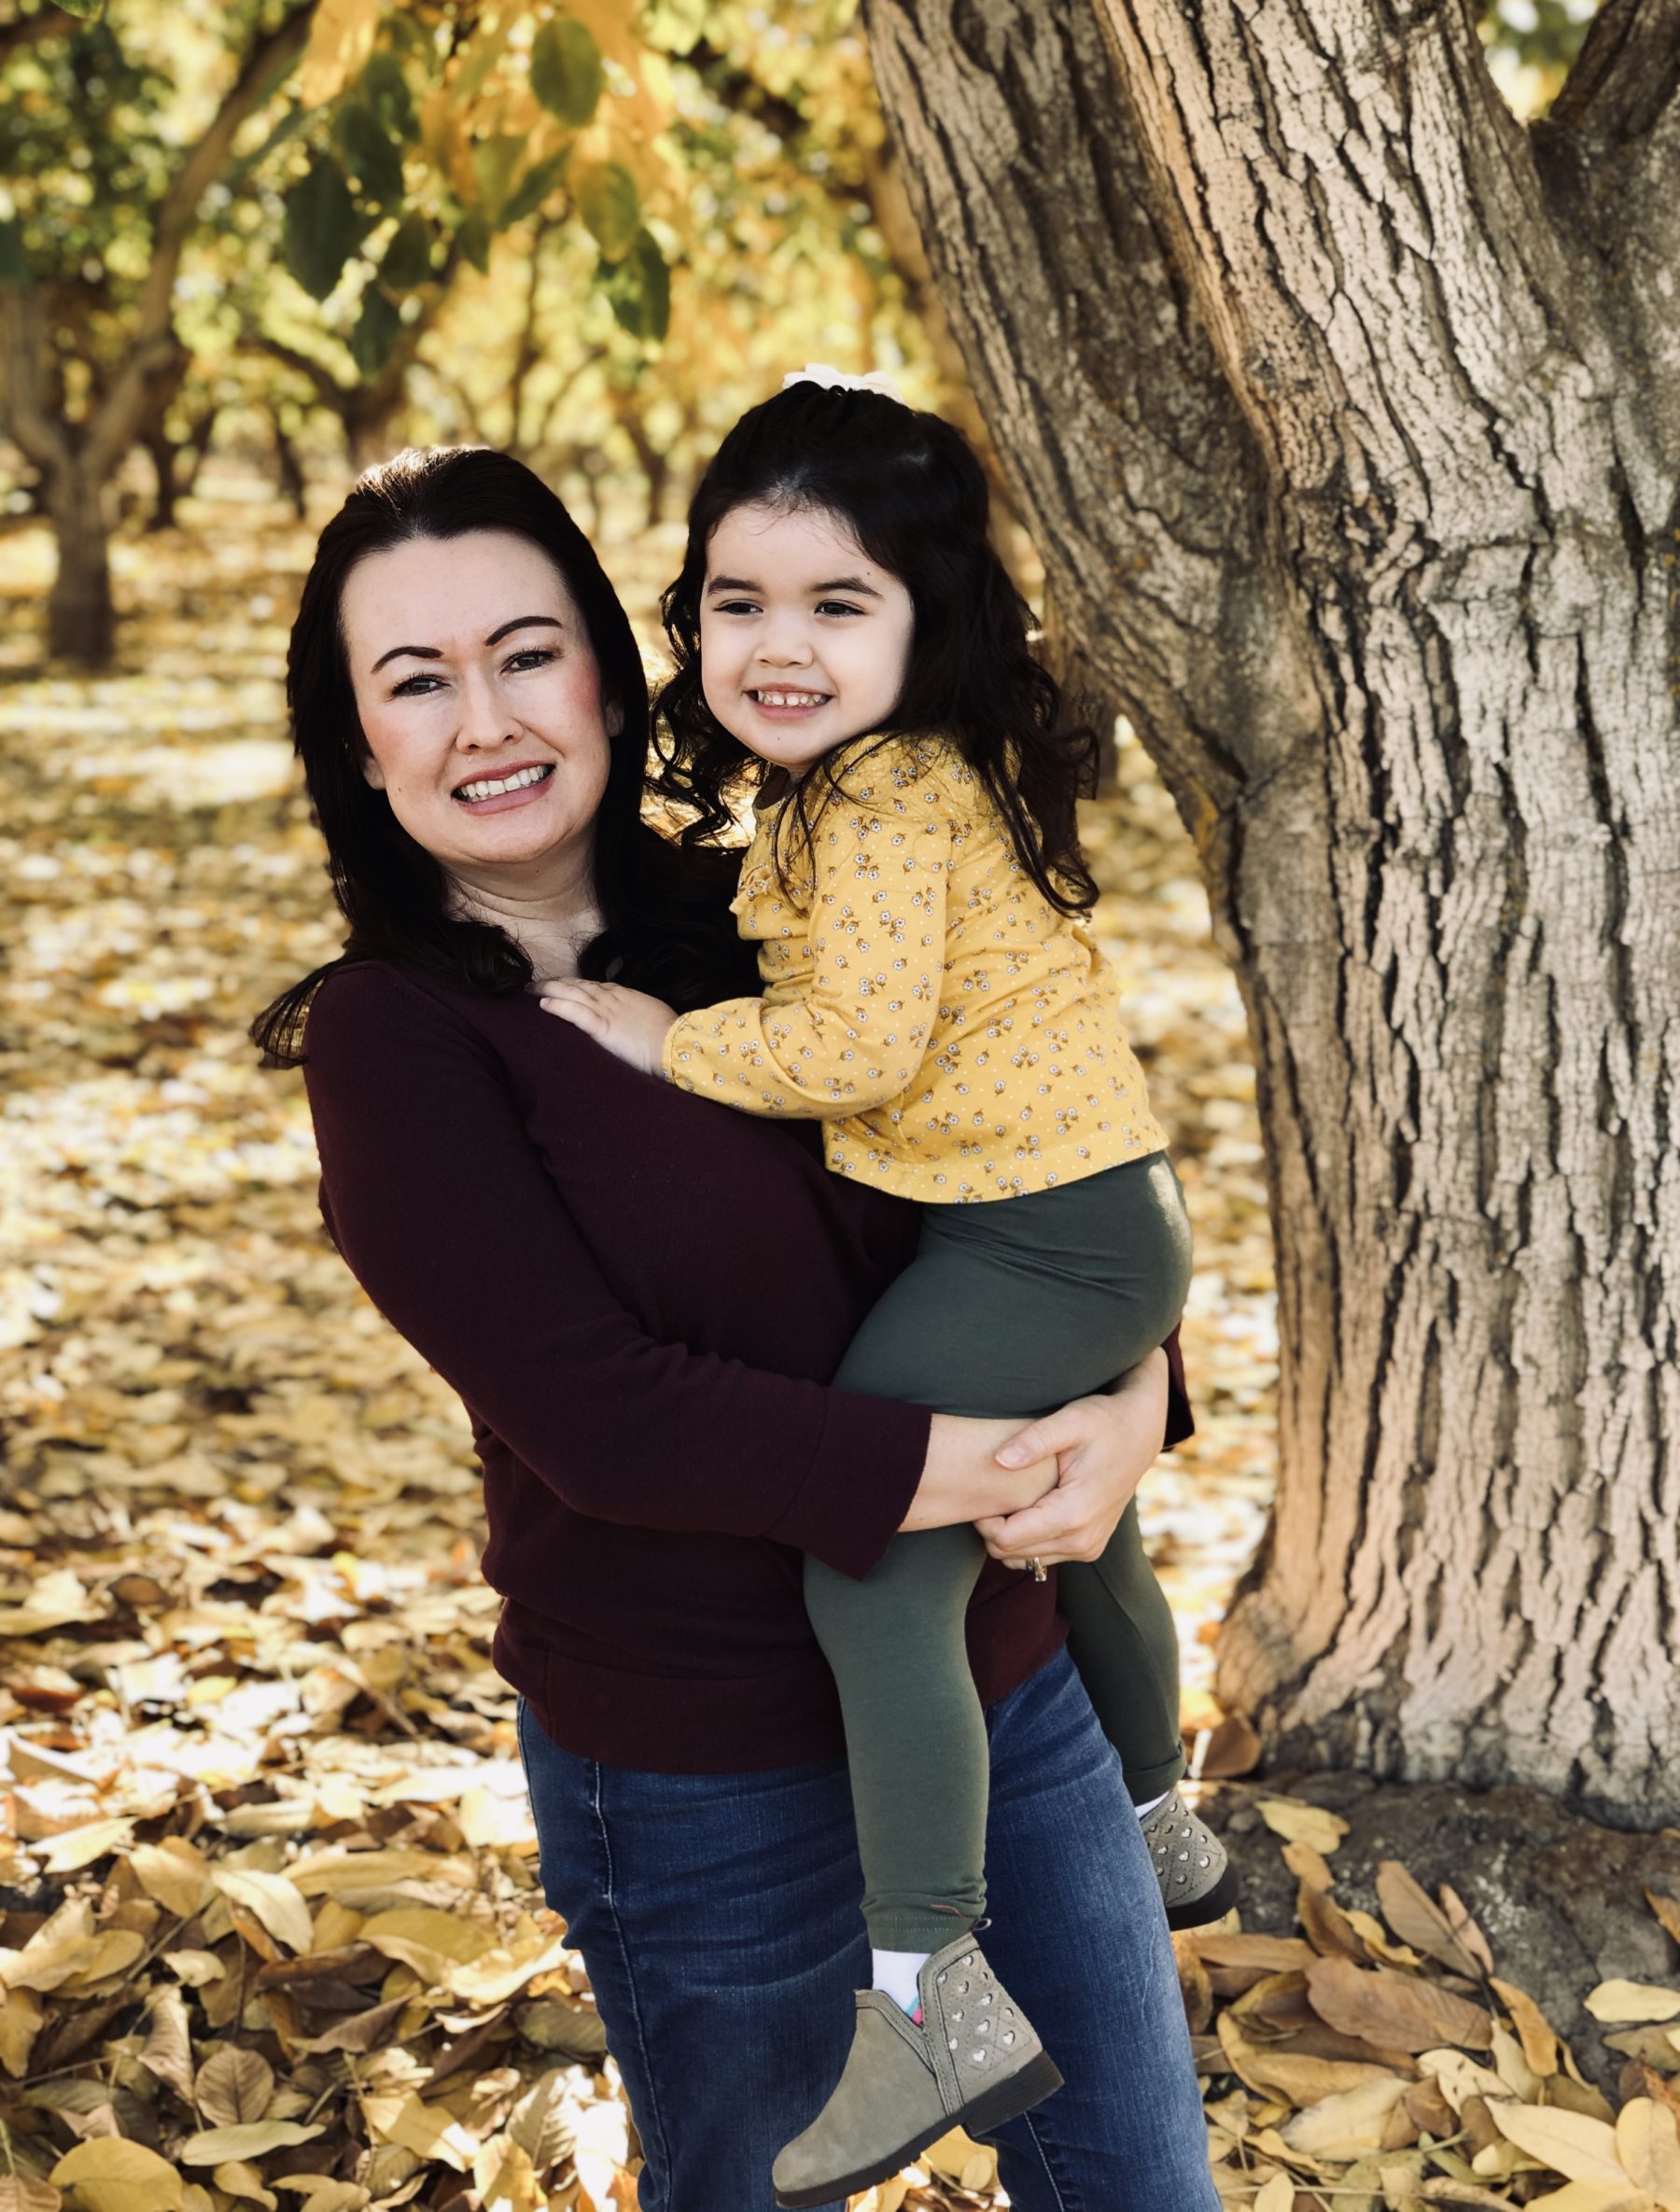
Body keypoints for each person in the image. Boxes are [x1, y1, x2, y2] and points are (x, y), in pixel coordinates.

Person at [255, 443, 1221, 2212]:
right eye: (415, 679)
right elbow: (604, 1415)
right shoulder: (396, 1042)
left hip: (1008, 1683)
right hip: (708, 1768)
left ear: (620, 673)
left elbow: (1034, 1151)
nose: (485, 718)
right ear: (357, 740)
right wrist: (1000, 1457)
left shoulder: (776, 898)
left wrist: (1141, 1402)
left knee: (1143, 2192)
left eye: (526, 652)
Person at [538, 372, 1230, 2205]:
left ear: (925, 627)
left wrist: (660, 1040)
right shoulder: (839, 793)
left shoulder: (893, 797)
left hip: (1039, 1235)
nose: (777, 645)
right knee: (1077, 1534)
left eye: (838, 605)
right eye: (737, 601)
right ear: (683, 615)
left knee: (877, 1565)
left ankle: (930, 1996)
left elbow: (855, 1043)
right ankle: (1163, 1823)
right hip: (1069, 1216)